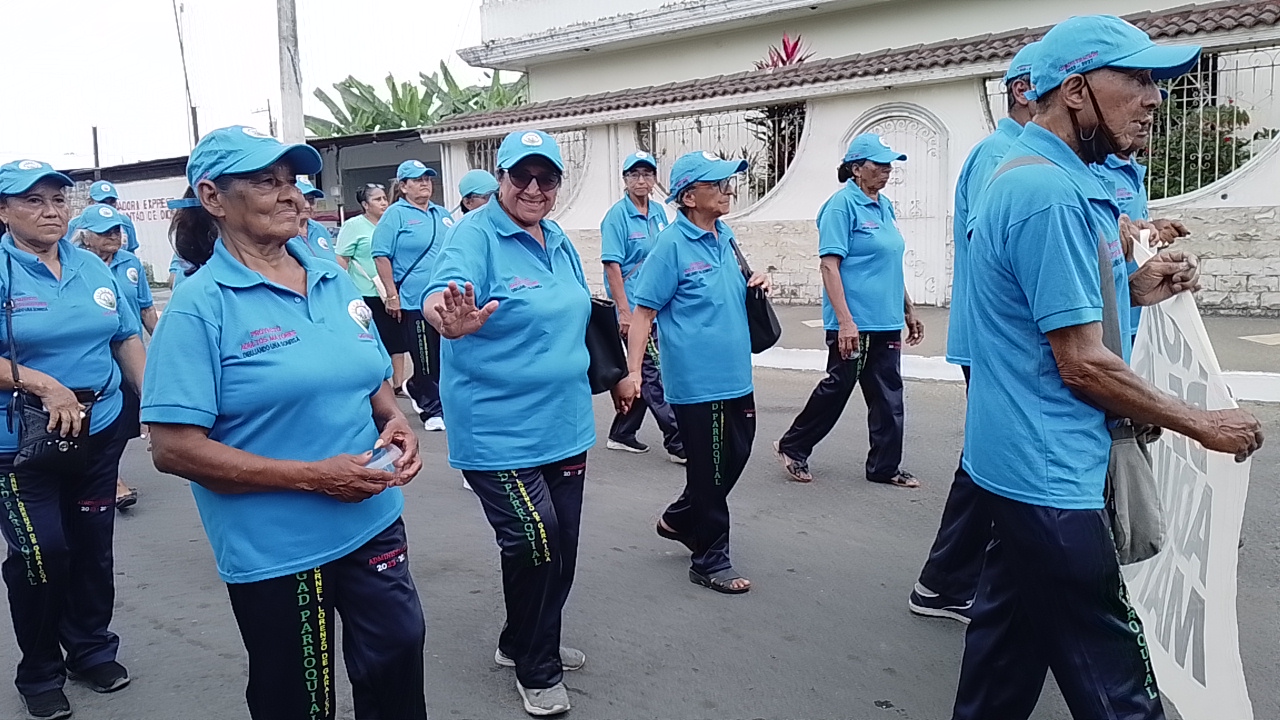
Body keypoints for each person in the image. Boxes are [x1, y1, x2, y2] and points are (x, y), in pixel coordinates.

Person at [953, 16, 1262, 719]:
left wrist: (1138, 286)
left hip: (1014, 461)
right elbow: (1082, 365)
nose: (1155, 98)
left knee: (1004, 661)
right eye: (1138, 79)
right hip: (1050, 472)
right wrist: (1201, 423)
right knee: (1119, 687)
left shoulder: (1056, 178)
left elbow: (1047, 307)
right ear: (1075, 91)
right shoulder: (1048, 194)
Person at [142, 126, 427, 720]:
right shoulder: (200, 306)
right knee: (300, 697)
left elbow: (365, 365)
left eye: (291, 180)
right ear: (214, 197)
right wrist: (313, 477)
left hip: (372, 515)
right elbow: (172, 448)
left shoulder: (328, 275)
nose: (291, 194)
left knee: (399, 655)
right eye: (265, 182)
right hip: (278, 545)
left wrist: (392, 414)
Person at [423, 130, 606, 717]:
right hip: (498, 429)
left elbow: (577, 309)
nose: (533, 188)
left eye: (545, 178)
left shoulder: (557, 238)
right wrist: (447, 319)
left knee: (560, 546)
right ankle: (537, 666)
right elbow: (441, 294)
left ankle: (523, 638)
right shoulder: (474, 235)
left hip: (564, 422)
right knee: (536, 540)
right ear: (500, 178)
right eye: (520, 176)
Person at [0, 160, 146, 720]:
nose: (50, 211)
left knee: (91, 546)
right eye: (32, 201)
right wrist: (42, 384)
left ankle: (90, 648)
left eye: (58, 200)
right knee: (43, 553)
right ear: (4, 211)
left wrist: (156, 405)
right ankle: (39, 670)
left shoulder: (92, 266)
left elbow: (126, 337)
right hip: (20, 441)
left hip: (98, 428)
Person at [910, 42, 1039, 623]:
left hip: (1007, 340)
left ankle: (951, 581)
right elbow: (1001, 253)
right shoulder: (999, 156)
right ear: (1024, 91)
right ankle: (944, 584)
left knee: (992, 459)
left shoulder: (1028, 154)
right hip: (996, 340)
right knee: (991, 461)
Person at [622, 150, 768, 595]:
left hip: (736, 374)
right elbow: (643, 313)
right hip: (697, 381)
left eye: (728, 183)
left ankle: (681, 518)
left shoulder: (725, 235)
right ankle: (710, 558)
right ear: (689, 197)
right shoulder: (670, 246)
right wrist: (633, 374)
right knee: (710, 471)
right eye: (718, 184)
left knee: (735, 455)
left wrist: (756, 281)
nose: (728, 191)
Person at [773, 134, 924, 487]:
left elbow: (889, 262)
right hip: (854, 321)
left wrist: (908, 308)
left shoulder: (884, 206)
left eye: (889, 165)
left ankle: (884, 467)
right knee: (838, 387)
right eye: (878, 164)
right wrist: (845, 322)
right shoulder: (841, 207)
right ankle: (793, 446)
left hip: (886, 319)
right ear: (856, 169)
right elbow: (829, 266)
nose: (886, 170)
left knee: (888, 395)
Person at [72, 204, 158, 511]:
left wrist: (164, 344)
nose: (113, 236)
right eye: (104, 232)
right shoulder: (75, 263)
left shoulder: (130, 263)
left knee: (125, 420)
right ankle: (112, 480)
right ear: (85, 236)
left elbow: (146, 309)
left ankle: (107, 473)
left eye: (116, 230)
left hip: (128, 353)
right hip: (94, 358)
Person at [601, 151, 684, 463]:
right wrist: (624, 311)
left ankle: (622, 433)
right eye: (634, 174)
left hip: (657, 307)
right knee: (653, 373)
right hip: (635, 309)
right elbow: (612, 267)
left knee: (646, 372)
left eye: (647, 174)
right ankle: (678, 441)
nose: (641, 180)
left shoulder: (659, 212)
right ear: (625, 179)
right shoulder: (616, 217)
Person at [373, 160, 451, 432]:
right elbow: (381, 255)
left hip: (444, 300)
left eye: (427, 179)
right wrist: (392, 294)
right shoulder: (395, 215)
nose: (424, 184)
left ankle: (417, 386)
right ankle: (432, 409)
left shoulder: (442, 214)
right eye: (417, 180)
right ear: (404, 186)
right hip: (413, 300)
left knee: (443, 356)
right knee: (424, 356)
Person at [1092, 149, 1189, 345]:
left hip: (1138, 309)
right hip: (1106, 314)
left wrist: (1153, 231)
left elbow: (1134, 228)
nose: (1145, 132)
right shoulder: (1095, 169)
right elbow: (1094, 234)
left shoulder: (1134, 170)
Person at [336, 183, 409, 390]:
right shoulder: (354, 226)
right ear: (365, 205)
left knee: (396, 339)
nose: (383, 203)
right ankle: (378, 383)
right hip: (365, 292)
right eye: (377, 199)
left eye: (384, 198)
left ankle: (398, 384)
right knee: (371, 339)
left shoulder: (391, 222)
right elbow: (342, 258)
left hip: (391, 290)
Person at [67, 180, 138, 253]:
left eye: (112, 202)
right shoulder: (75, 224)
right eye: (102, 202)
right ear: (90, 202)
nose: (107, 206)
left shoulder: (124, 221)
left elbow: (131, 250)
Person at [293, 180, 338, 263]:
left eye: (311, 200)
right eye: (301, 200)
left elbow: (333, 260)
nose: (307, 206)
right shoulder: (282, 234)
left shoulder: (320, 229)